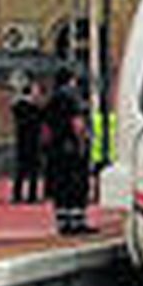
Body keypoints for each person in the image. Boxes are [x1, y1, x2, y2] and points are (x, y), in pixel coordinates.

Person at [43, 68, 95, 235]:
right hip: (71, 146)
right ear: (71, 80)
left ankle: (63, 222)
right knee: (76, 183)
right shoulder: (72, 96)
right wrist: (83, 141)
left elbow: (46, 127)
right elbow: (77, 122)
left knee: (61, 184)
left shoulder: (51, 99)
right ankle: (77, 221)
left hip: (56, 148)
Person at [10, 81, 44, 203]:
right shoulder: (26, 106)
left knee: (23, 169)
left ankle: (19, 194)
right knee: (29, 169)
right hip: (29, 139)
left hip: (26, 140)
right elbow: (36, 119)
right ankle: (29, 195)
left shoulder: (20, 105)